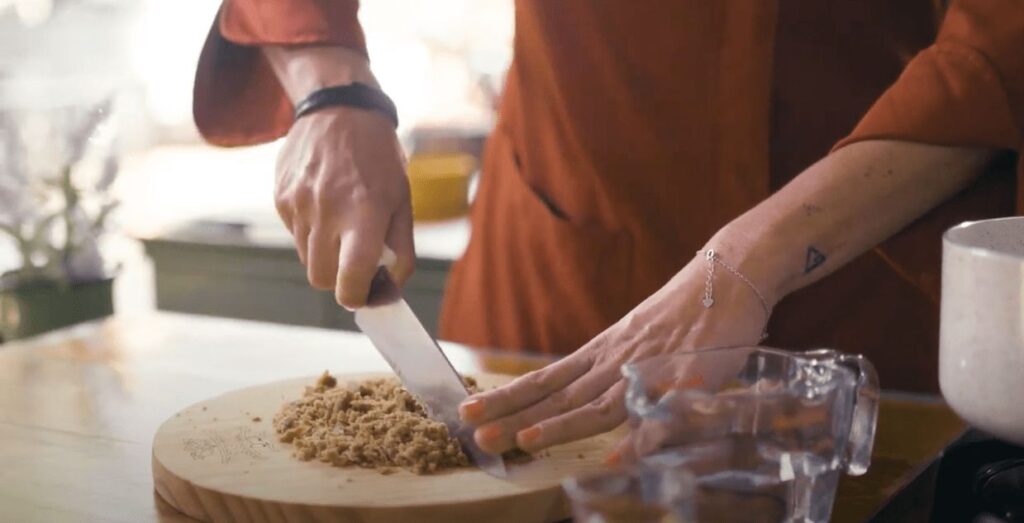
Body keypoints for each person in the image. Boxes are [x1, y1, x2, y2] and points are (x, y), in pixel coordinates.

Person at [194, 1, 1023, 459]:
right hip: (560, 282)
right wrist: (329, 86)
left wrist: (754, 257)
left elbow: (1001, 39)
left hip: (861, 272)